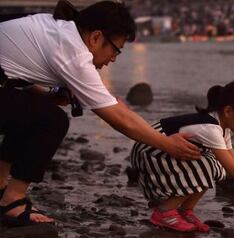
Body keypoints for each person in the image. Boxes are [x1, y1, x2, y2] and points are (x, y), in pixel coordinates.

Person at [0, 1, 200, 227]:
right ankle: (12, 200)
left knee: (35, 110)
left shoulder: (57, 27)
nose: (113, 59)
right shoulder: (73, 53)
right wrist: (166, 144)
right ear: (95, 37)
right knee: (52, 120)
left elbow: (10, 69)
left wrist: (44, 95)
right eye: (116, 49)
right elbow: (118, 117)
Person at [130, 79, 234, 232]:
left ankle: (185, 210)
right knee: (209, 166)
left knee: (215, 166)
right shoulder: (210, 128)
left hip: (160, 152)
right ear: (228, 111)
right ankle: (165, 212)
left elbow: (233, 162)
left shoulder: (222, 128)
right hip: (149, 151)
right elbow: (233, 168)